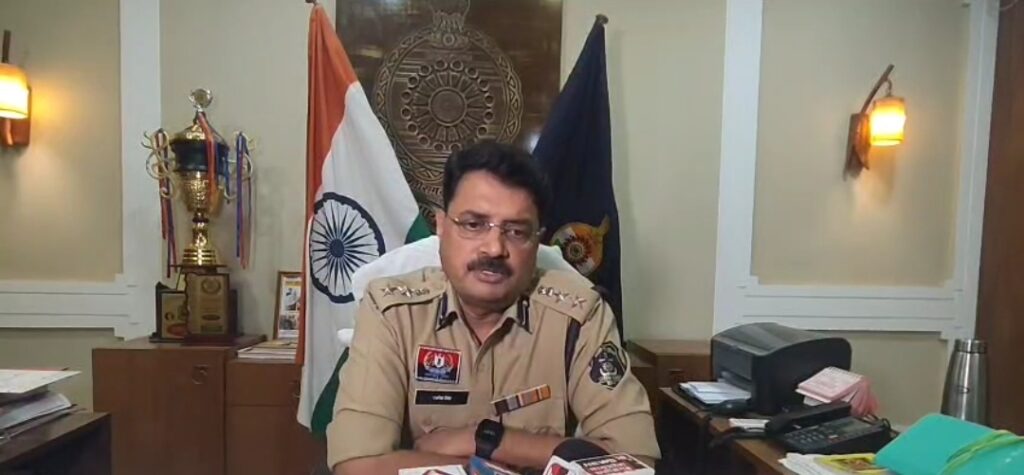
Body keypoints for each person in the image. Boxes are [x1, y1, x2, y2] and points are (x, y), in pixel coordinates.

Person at [327, 141, 659, 474]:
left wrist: (485, 440)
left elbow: (634, 463)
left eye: (516, 231)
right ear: (441, 227)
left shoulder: (580, 315)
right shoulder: (392, 312)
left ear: (537, 241)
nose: (495, 248)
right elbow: (357, 467)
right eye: (473, 224)